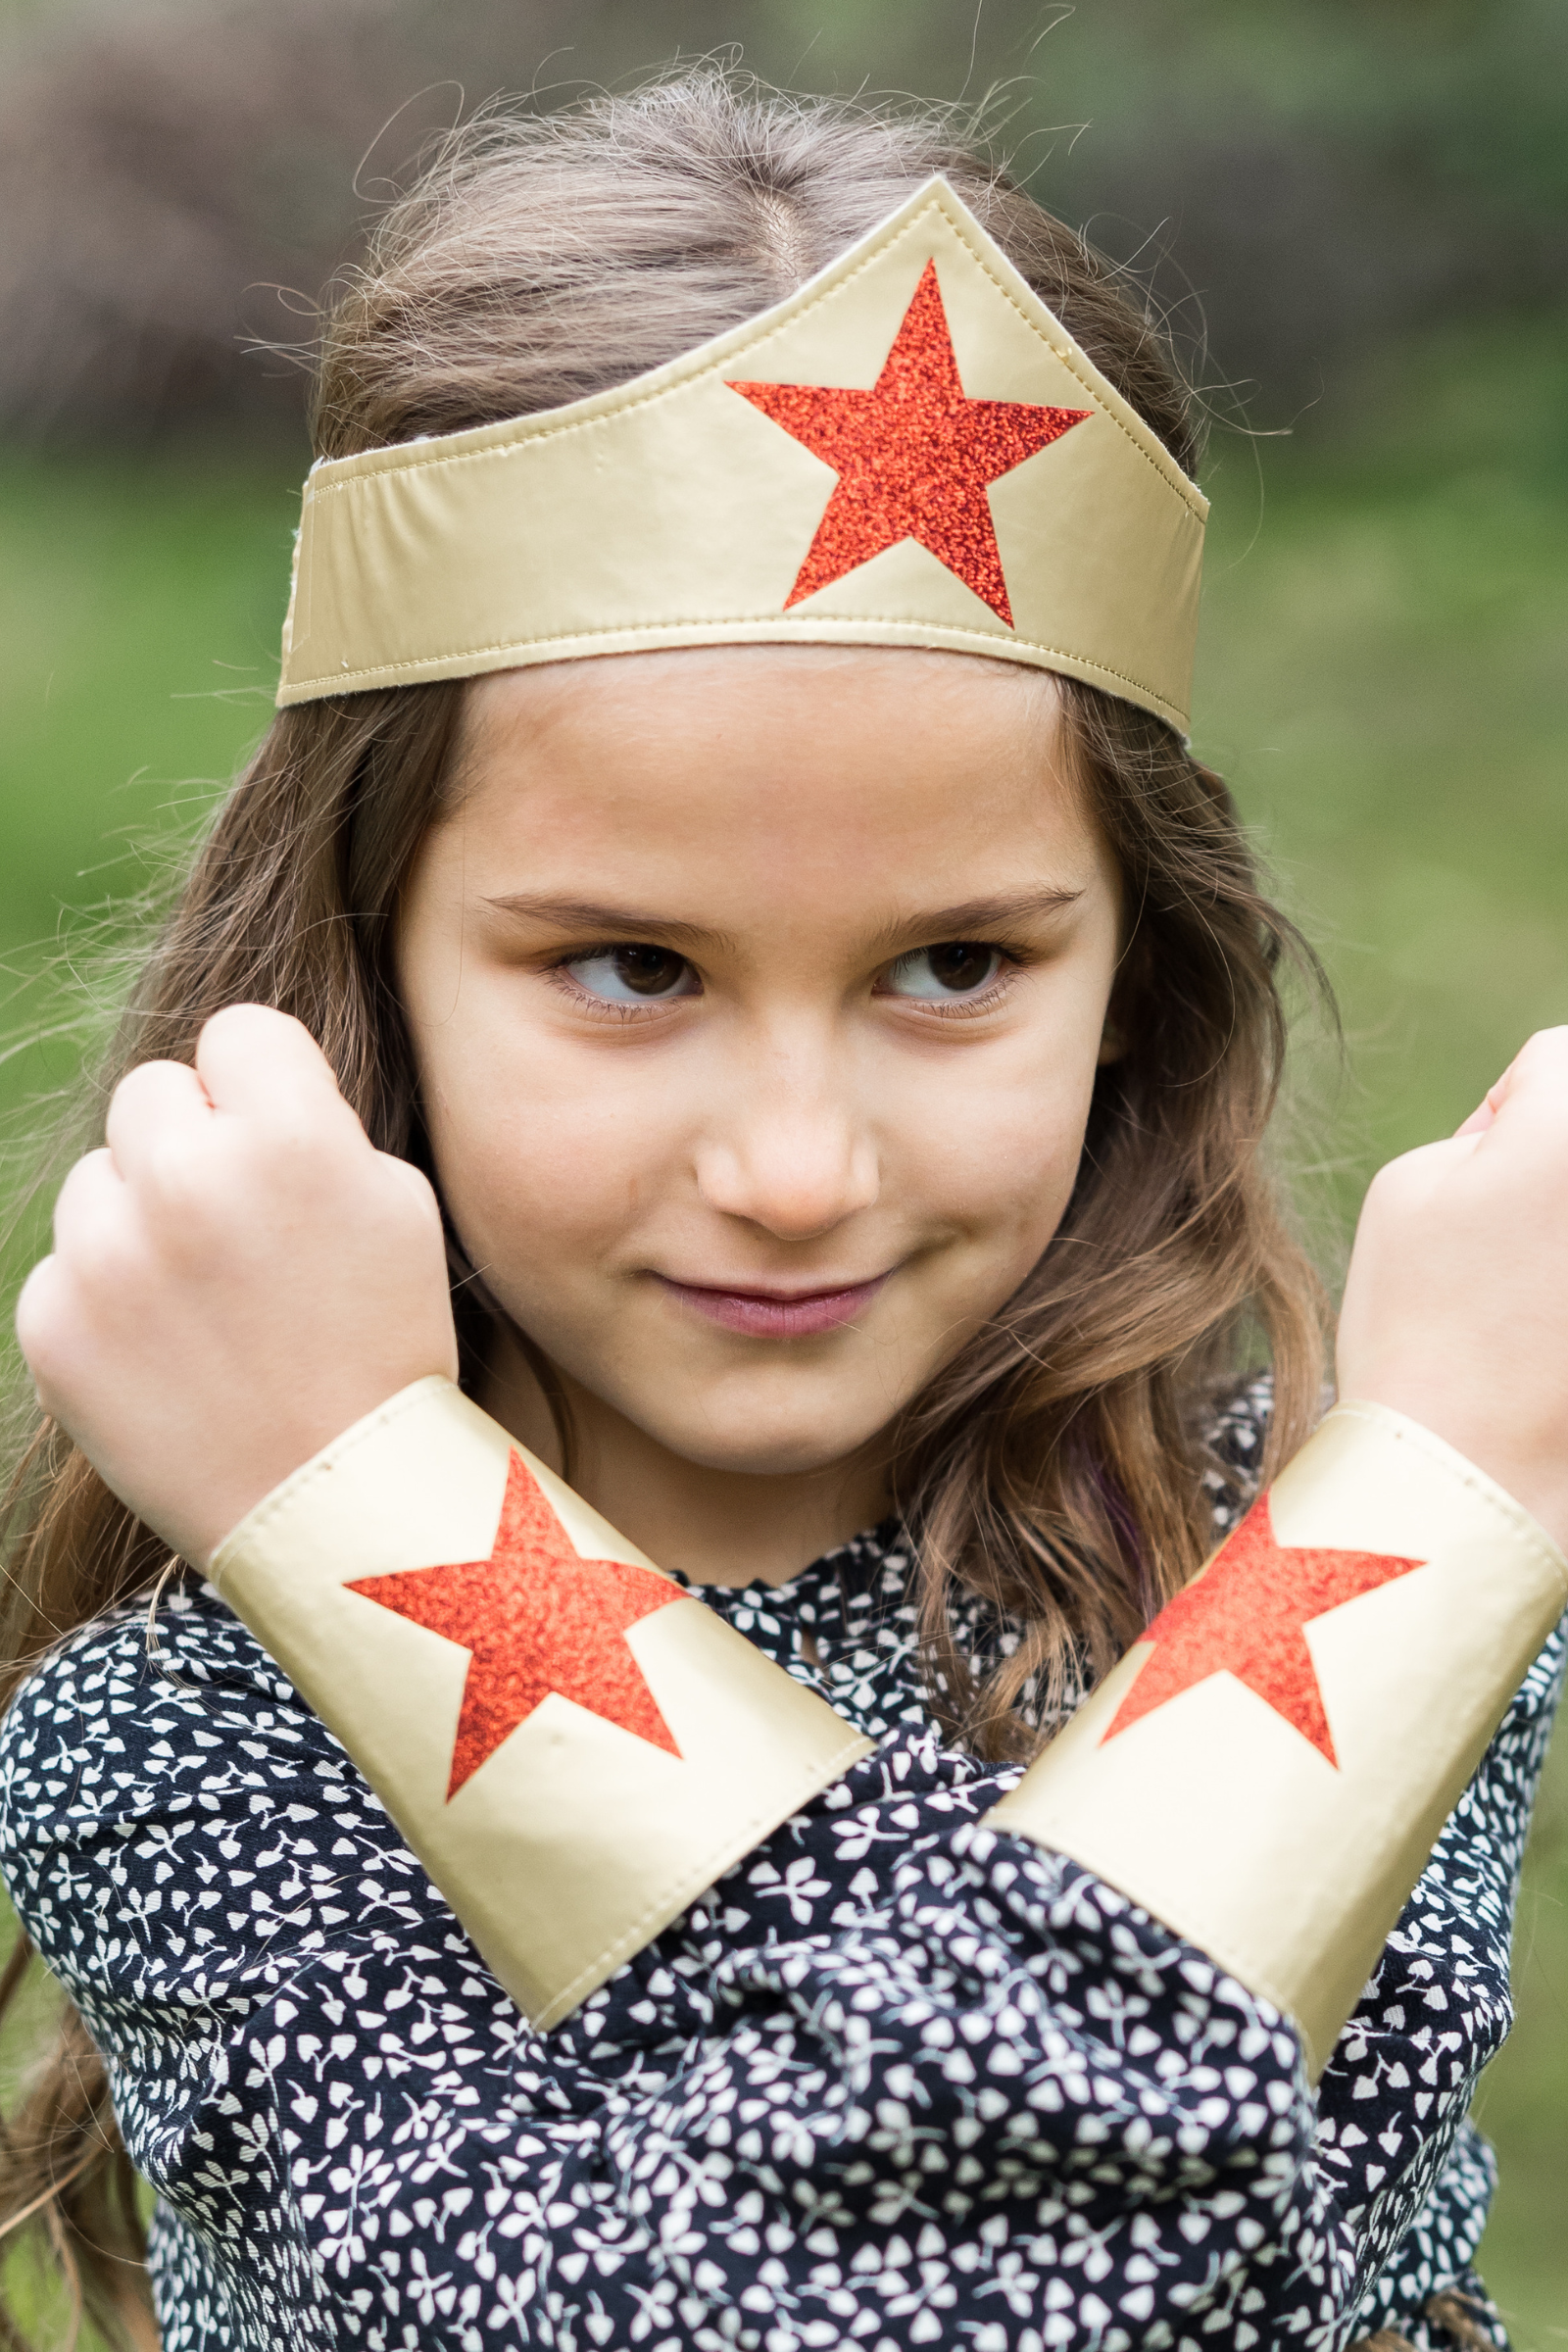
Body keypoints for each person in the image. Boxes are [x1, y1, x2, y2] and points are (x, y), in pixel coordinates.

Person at [1, 70, 1564, 2352]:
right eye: (629, 968)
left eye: (953, 965)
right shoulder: (206, 1728)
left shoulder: (1235, 1541)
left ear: (1134, 967)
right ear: (371, 953)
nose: (794, 1168)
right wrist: (367, 1523)